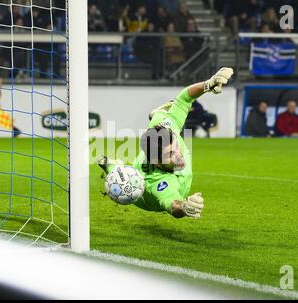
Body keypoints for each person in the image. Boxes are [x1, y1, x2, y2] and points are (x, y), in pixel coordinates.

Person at [98, 67, 234, 219]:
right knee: (121, 174)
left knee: (162, 118)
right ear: (156, 163)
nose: (177, 153)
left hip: (152, 144)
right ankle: (108, 164)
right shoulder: (158, 182)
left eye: (175, 146)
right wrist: (184, 207)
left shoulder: (169, 130)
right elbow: (172, 204)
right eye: (169, 154)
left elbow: (184, 98)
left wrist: (208, 84)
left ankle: (157, 114)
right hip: (144, 197)